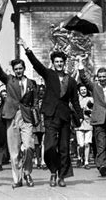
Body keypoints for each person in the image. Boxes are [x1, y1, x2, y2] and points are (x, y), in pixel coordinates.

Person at [18, 38, 83, 187]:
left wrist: (79, 117)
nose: (59, 64)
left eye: (61, 62)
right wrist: (27, 48)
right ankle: (53, 170)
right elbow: (36, 64)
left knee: (64, 148)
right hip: (50, 116)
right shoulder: (49, 75)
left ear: (64, 63)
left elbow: (75, 101)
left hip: (65, 117)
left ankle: (61, 176)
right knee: (49, 147)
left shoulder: (71, 81)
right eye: (57, 62)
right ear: (53, 63)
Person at [0, 44, 38, 188]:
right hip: (12, 117)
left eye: (20, 68)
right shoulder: (9, 80)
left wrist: (35, 115)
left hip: (27, 117)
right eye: (16, 69)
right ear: (13, 70)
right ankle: (17, 179)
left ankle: (27, 172)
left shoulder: (31, 83)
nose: (18, 71)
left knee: (29, 146)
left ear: (24, 69)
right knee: (14, 151)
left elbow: (35, 101)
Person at [77, 55, 106, 177]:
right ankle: (101, 166)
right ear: (97, 78)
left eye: (104, 77)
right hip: (98, 119)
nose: (102, 79)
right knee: (101, 143)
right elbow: (84, 78)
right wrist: (80, 63)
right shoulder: (94, 87)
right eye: (100, 77)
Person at [75, 84, 93, 170]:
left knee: (87, 143)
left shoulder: (91, 99)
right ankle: (79, 157)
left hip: (88, 123)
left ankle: (86, 161)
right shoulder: (76, 100)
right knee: (81, 144)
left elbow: (94, 110)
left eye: (85, 89)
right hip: (79, 124)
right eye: (81, 90)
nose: (83, 91)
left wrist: (89, 111)